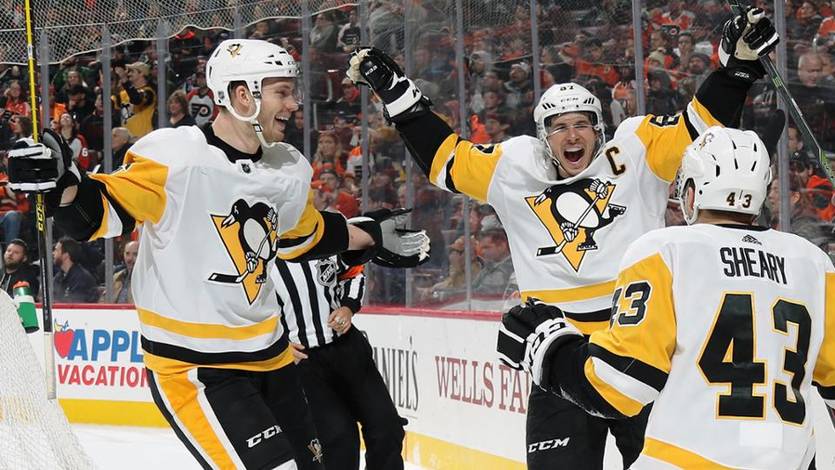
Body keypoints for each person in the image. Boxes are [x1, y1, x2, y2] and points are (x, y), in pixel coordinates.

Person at [347, 7, 779, 469]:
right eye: (559, 127)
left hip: (639, 345)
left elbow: (700, 127)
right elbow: (445, 159)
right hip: (558, 352)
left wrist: (735, 70)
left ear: (599, 129)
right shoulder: (514, 167)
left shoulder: (636, 150)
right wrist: (399, 96)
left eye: (581, 124)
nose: (572, 136)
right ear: (544, 136)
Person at [9, 39, 429, 470]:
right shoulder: (175, 157)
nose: (294, 104)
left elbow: (303, 234)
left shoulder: (286, 168)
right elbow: (99, 213)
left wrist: (370, 236)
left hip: (273, 358)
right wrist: (63, 187)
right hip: (196, 369)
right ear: (243, 95)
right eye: (282, 92)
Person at [499, 126, 834, 469]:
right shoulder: (812, 262)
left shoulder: (665, 250)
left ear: (691, 192)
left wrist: (548, 348)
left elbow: (620, 385)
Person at [271, 254, 405, 470]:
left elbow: (354, 272)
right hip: (303, 363)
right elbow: (246, 309)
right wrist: (276, 343)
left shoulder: (320, 240)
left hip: (348, 349)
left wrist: (348, 307)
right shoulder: (259, 257)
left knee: (386, 426)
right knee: (339, 439)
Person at [52, 237, 99, 303]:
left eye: (56, 250)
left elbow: (74, 304)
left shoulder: (82, 278)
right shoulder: (59, 277)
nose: (53, 253)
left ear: (66, 255)